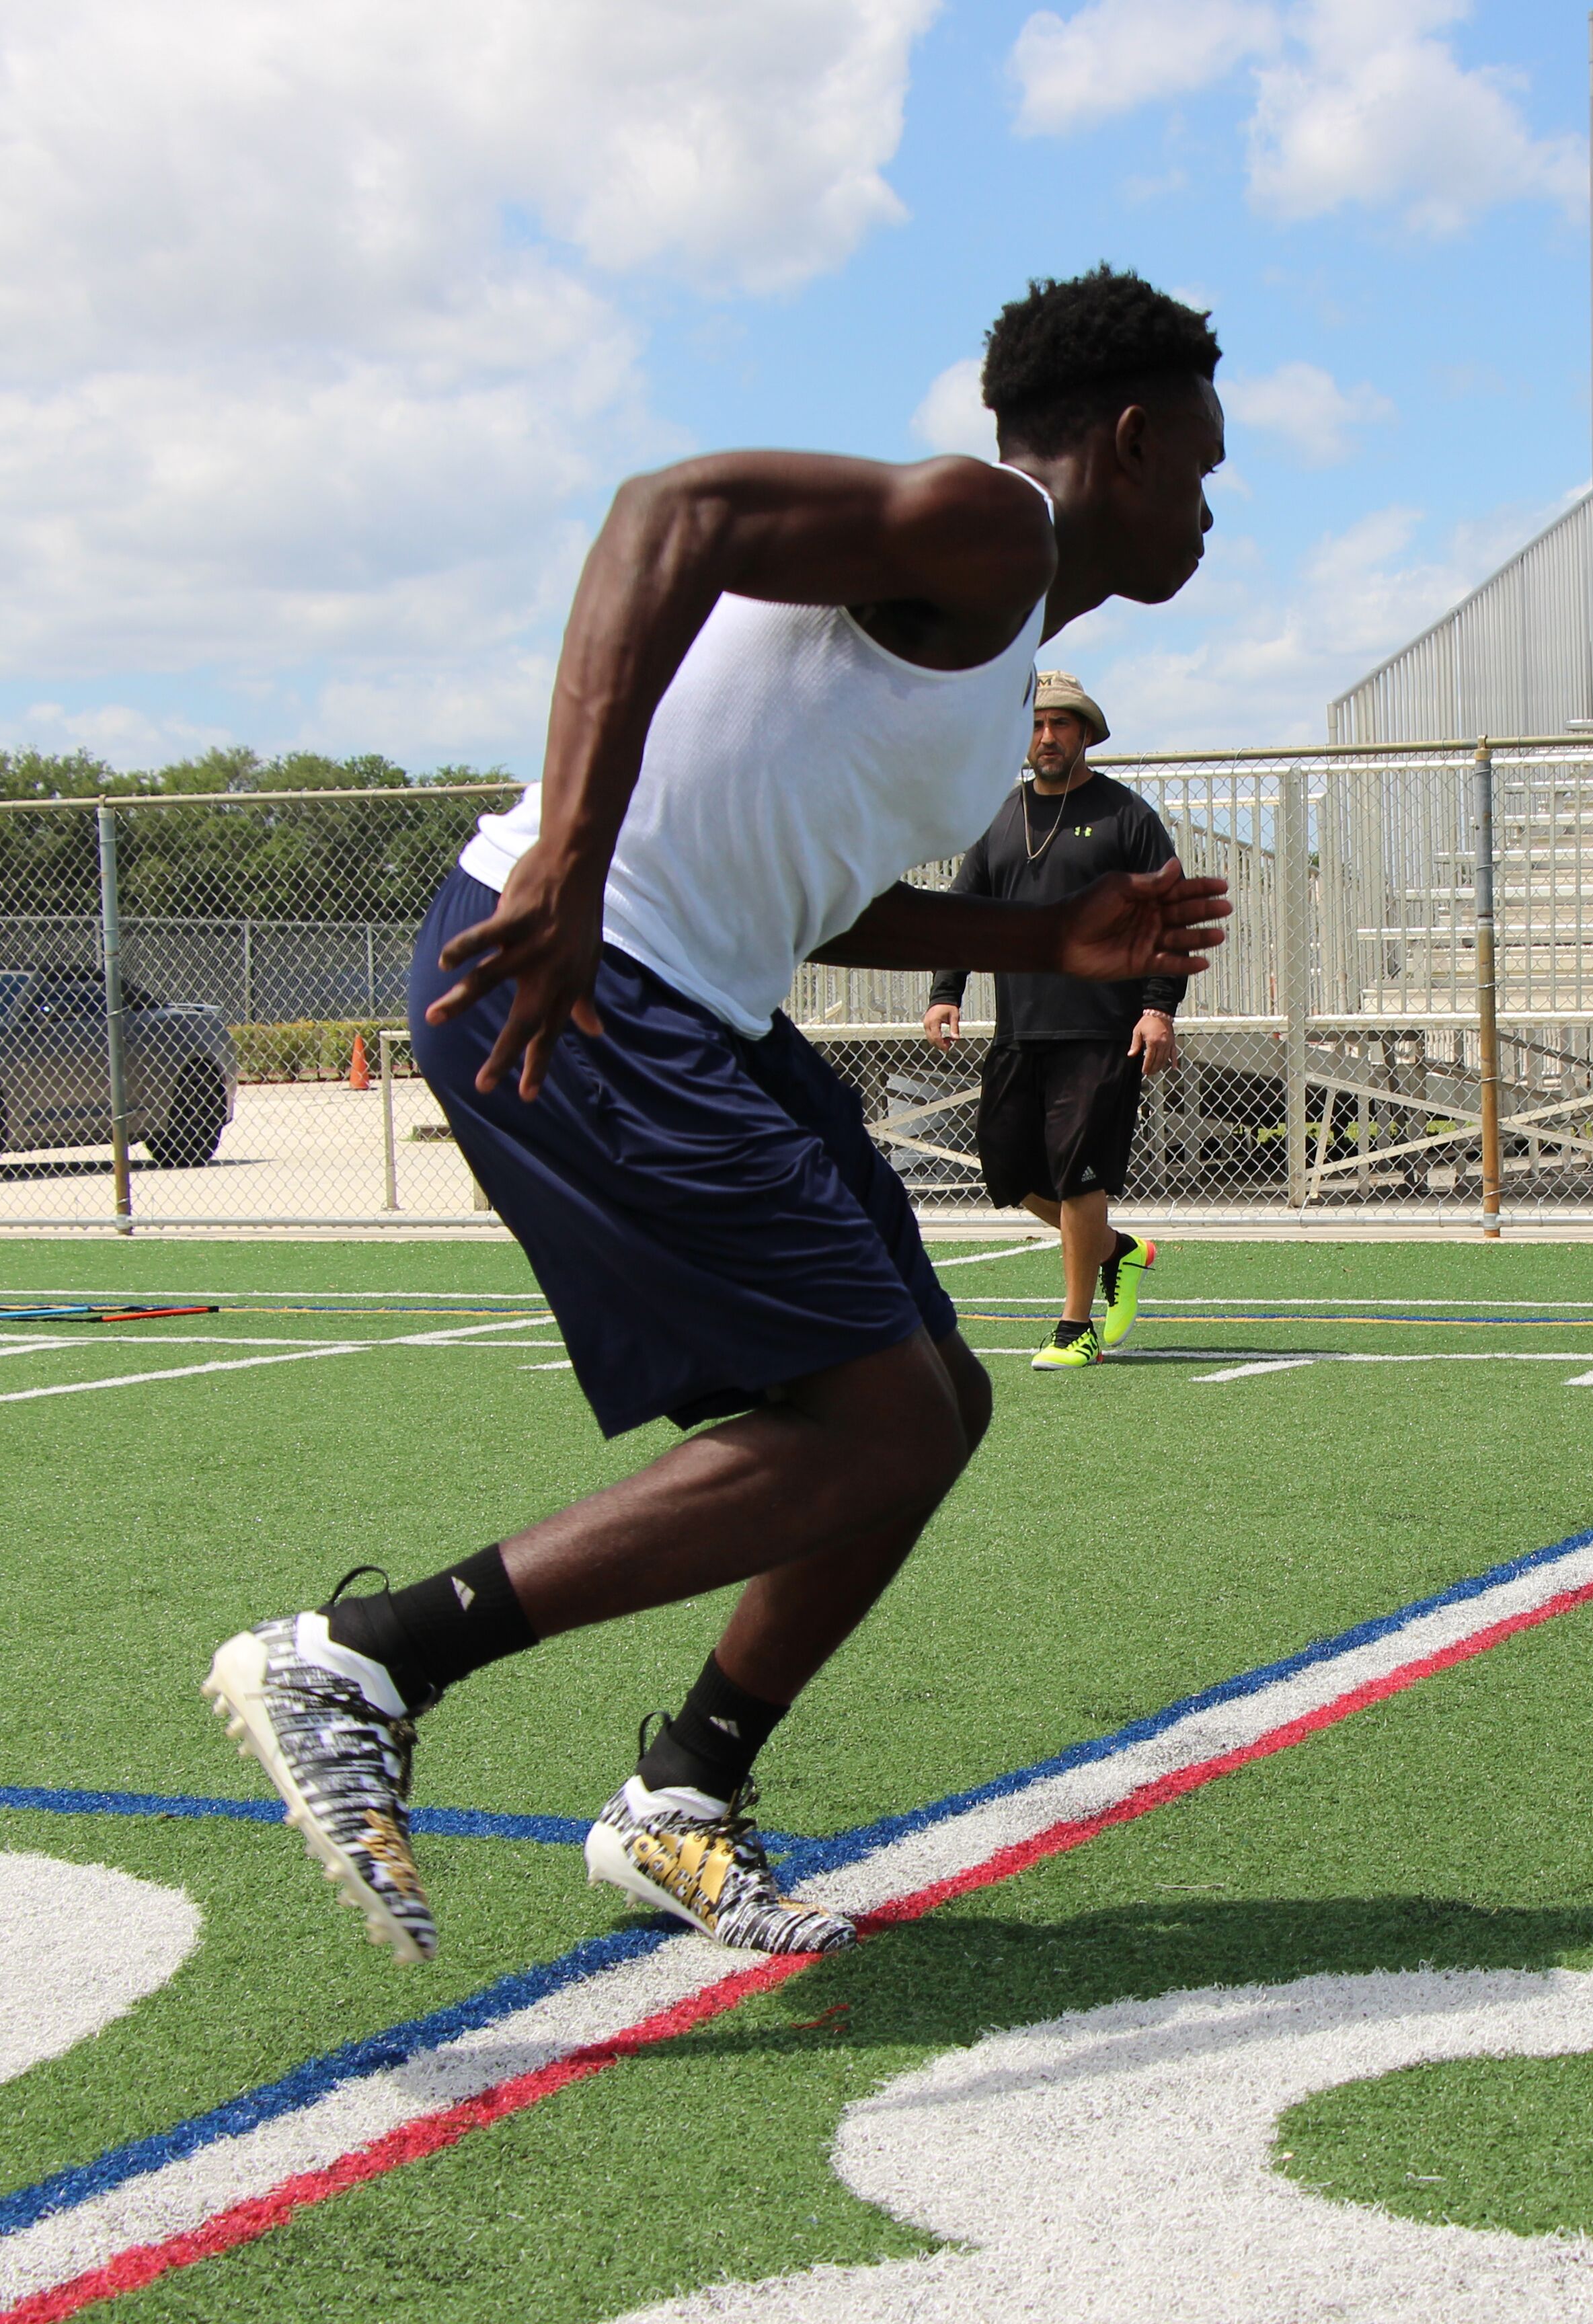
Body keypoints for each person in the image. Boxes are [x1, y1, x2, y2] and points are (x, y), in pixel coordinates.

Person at [202, 267, 1235, 1965]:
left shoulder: (997, 647)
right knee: (882, 1418)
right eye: (1201, 466)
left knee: (935, 1402)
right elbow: (663, 515)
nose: (1208, 506)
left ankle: (682, 1791)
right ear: (1127, 441)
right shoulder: (992, 526)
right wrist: (574, 849)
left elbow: (799, 883)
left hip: (688, 988)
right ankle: (367, 1655)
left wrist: (1037, 938)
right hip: (570, 960)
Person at [922, 671, 1179, 1368]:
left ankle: (1075, 1327)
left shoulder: (1127, 815)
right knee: (1005, 1170)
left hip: (1102, 1029)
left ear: (1086, 733)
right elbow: (963, 910)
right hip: (1019, 1029)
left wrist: (1158, 1007)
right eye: (1036, 725)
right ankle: (1118, 1251)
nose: (1046, 737)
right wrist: (947, 990)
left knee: (1077, 1174)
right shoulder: (1003, 818)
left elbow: (1168, 918)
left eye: (1060, 724)